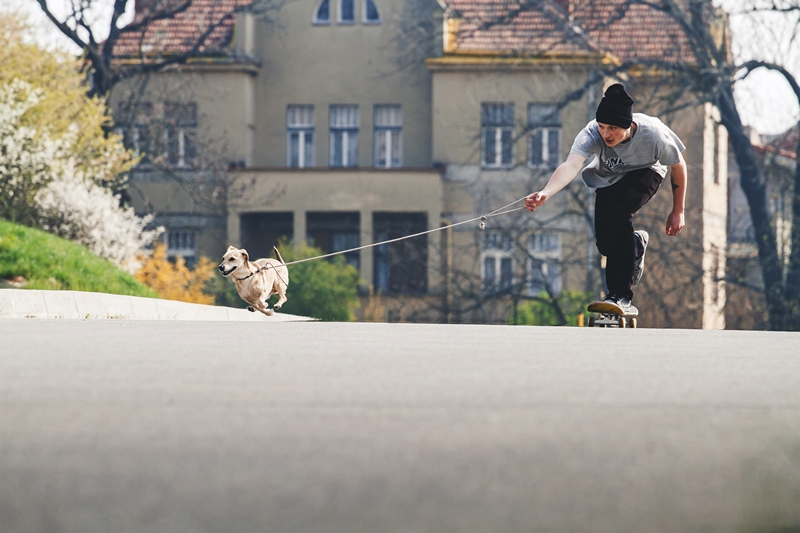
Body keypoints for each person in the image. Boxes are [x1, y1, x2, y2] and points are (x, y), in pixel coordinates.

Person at [524, 83, 686, 312]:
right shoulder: (591, 133)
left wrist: (678, 210)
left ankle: (620, 296)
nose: (606, 134)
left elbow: (679, 167)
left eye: (612, 128)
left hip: (647, 170)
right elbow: (571, 165)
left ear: (628, 125)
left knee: (619, 214)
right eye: (602, 127)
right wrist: (546, 192)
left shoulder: (654, 136)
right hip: (610, 176)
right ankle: (635, 245)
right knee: (607, 243)